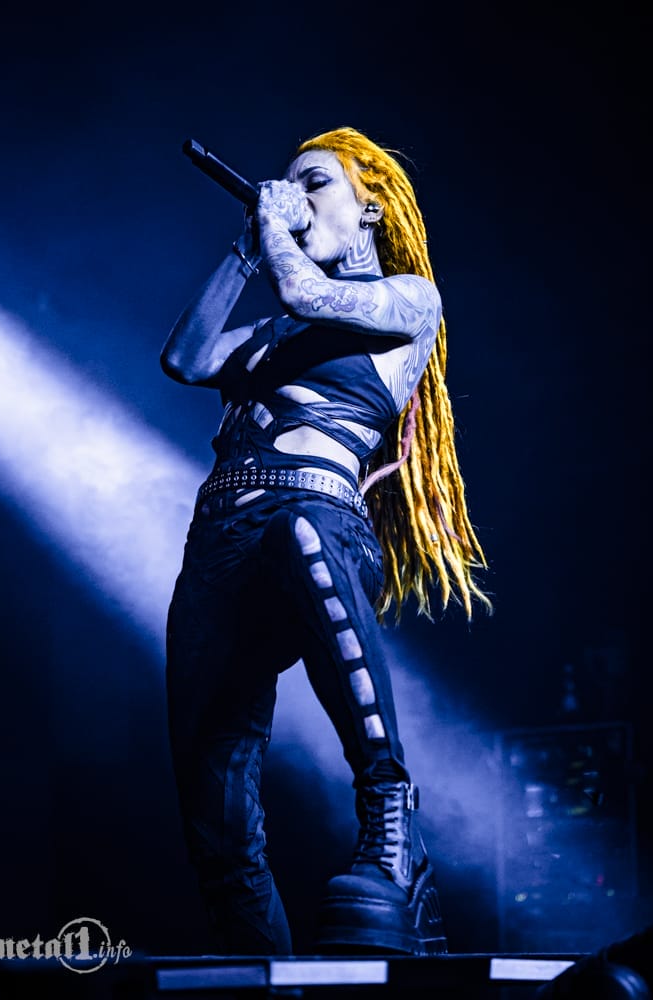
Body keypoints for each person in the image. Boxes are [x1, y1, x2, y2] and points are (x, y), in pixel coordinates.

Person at [160, 126, 491, 957]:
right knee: (213, 806)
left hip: (316, 521)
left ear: (370, 206)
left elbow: (309, 293)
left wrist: (277, 233)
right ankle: (262, 970)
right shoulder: (273, 333)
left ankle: (391, 819)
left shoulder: (408, 299)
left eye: (315, 182)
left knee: (299, 532)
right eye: (287, 185)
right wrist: (246, 250)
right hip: (219, 546)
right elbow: (187, 359)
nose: (294, 195)